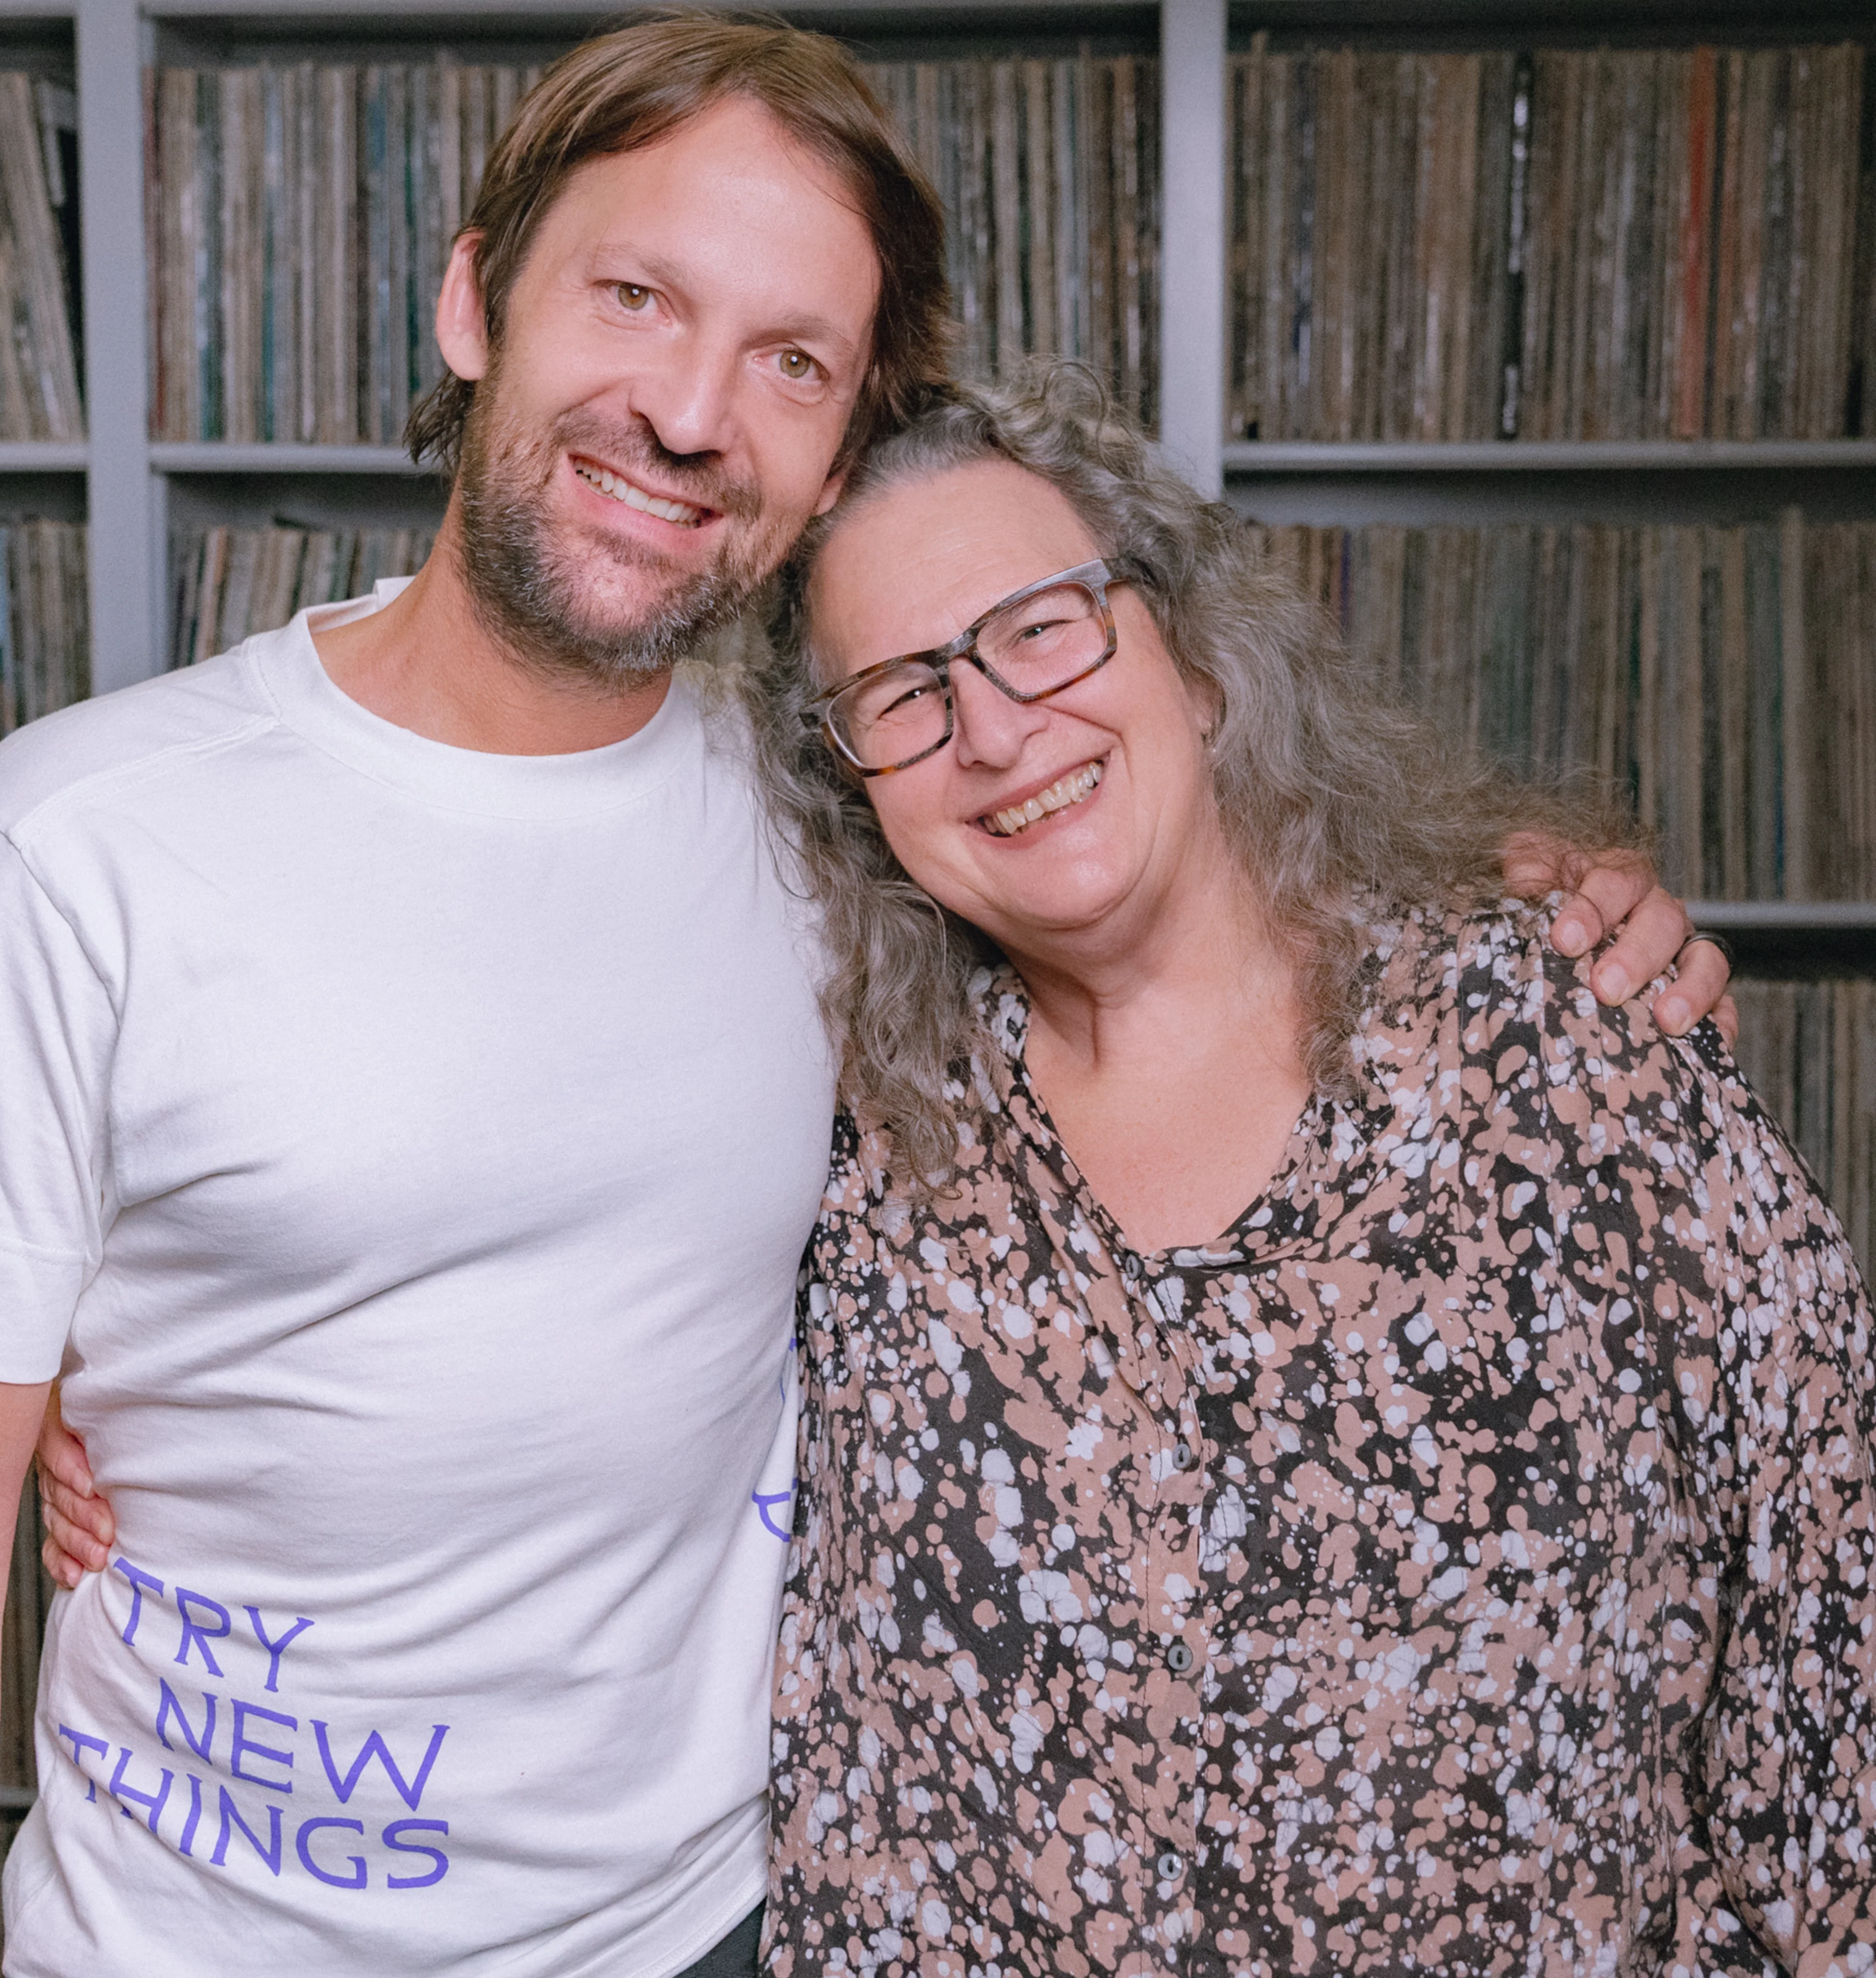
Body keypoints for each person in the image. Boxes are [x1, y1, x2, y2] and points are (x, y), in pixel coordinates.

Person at [0, 14, 1724, 1978]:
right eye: (635, 297)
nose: (691, 411)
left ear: (830, 459)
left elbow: (1186, 929)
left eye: (791, 362)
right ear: (479, 299)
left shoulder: (861, 821)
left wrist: (1513, 909)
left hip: (731, 1931)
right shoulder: (84, 838)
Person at [733, 369, 1874, 1976]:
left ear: (1194, 661)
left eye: (1042, 628)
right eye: (902, 693)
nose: (991, 728)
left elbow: (1829, 1612)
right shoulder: (856, 1143)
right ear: (853, 789)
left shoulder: (1564, 1038)